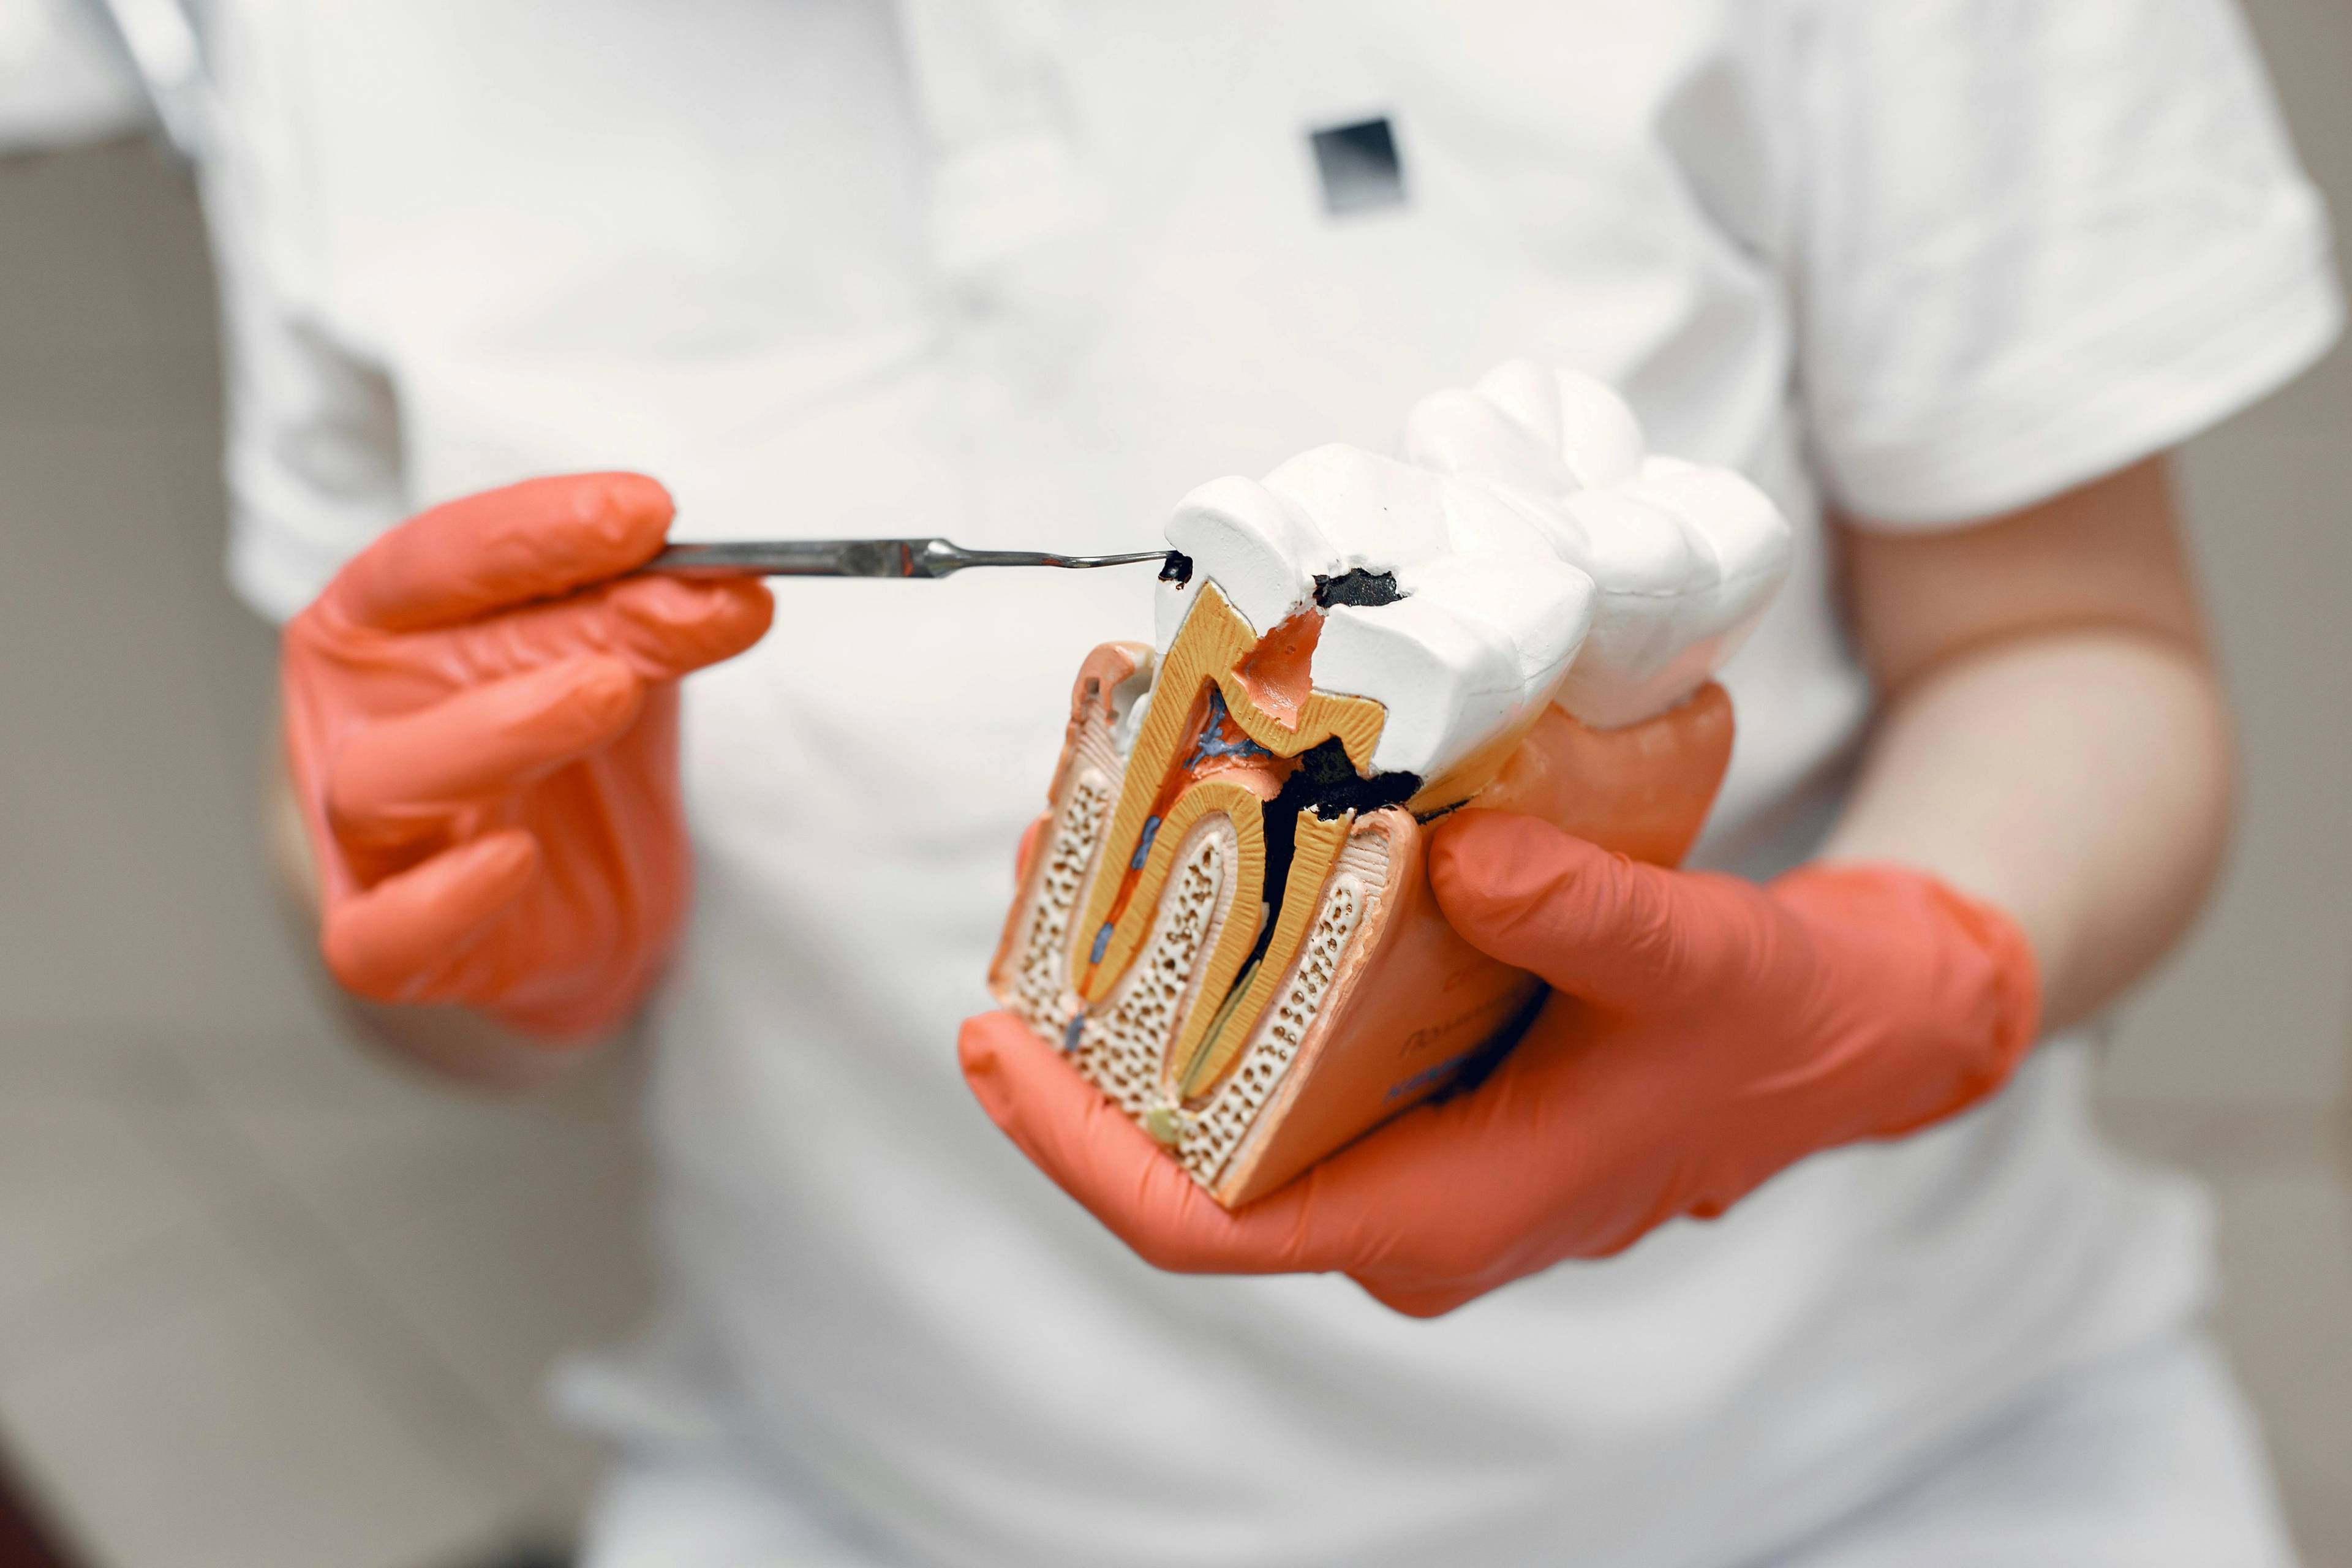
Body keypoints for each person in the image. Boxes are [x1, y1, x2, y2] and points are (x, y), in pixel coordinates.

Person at [219, 2, 2339, 1562]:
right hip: (867, 1493)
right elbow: (399, 848)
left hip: (1897, 1478)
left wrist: (1913, 979)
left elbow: (2074, 649)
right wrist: (476, 949)